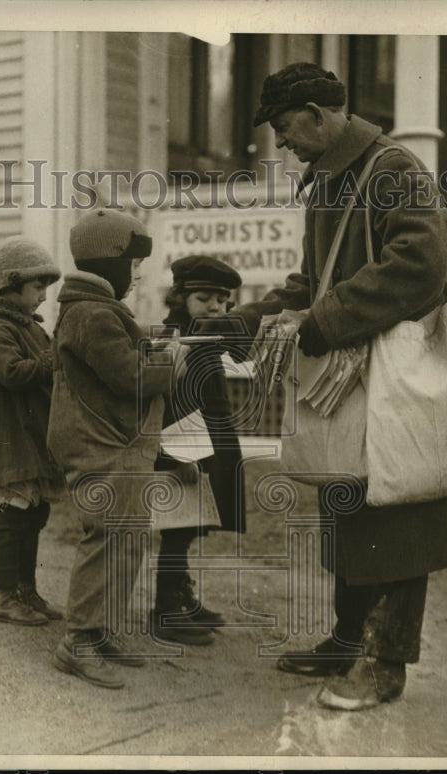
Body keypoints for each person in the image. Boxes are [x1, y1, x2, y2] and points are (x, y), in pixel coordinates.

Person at [242, 62, 447, 711]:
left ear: (316, 112)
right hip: (358, 364)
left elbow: (420, 265)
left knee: (402, 510)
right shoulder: (329, 181)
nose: (283, 145)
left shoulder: (394, 169)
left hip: (408, 368)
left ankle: (385, 664)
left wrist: (325, 321)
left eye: (285, 130)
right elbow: (315, 282)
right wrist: (247, 318)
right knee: (350, 499)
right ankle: (346, 640)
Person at [47, 208, 189, 690]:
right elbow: (128, 376)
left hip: (114, 443)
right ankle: (79, 642)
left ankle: (101, 629)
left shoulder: (95, 311)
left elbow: (122, 354)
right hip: (102, 445)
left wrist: (154, 343)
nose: (137, 274)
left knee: (127, 538)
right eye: (131, 264)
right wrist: (175, 366)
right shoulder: (92, 314)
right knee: (108, 538)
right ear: (108, 263)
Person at [0, 236, 65, 627]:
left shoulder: (28, 327)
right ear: (11, 282)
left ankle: (26, 590)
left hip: (29, 439)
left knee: (34, 514)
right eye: (38, 288)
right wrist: (56, 357)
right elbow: (13, 373)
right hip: (6, 440)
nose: (43, 297)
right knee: (13, 516)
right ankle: (4, 596)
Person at [151, 254, 252, 646]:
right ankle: (165, 612)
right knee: (177, 530)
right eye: (205, 298)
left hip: (207, 441)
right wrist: (180, 455)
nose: (216, 307)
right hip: (184, 446)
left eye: (223, 300)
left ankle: (182, 599)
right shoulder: (179, 338)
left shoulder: (207, 335)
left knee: (190, 528)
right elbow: (172, 401)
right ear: (180, 298)